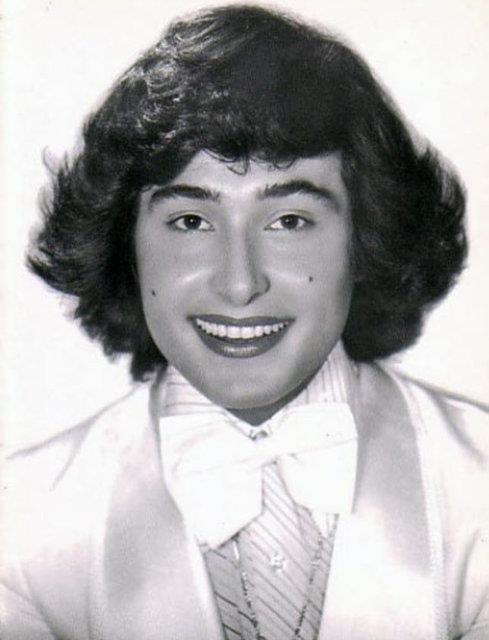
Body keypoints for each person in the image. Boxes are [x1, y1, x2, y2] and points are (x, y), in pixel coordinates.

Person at [2, 4, 488, 639]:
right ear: (126, 244)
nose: (239, 283)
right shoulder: (20, 521)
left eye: (289, 221)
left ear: (366, 236)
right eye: (190, 221)